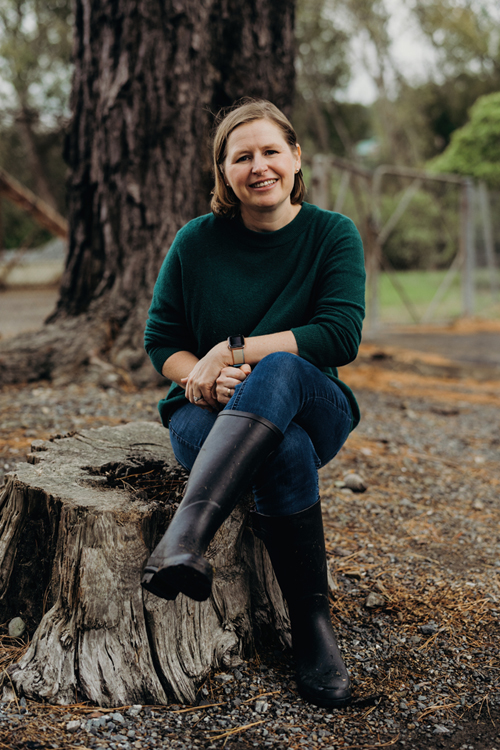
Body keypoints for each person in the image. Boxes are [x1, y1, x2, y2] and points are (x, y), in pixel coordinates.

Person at [142, 98, 365, 709]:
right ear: (225, 172)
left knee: (284, 368)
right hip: (203, 413)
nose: (259, 166)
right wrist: (203, 378)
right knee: (283, 452)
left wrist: (234, 350)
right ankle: (315, 633)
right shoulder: (197, 241)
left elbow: (340, 335)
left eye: (271, 151)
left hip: (311, 401)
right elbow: (160, 340)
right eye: (243, 157)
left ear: (296, 158)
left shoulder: (331, 234)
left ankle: (182, 538)